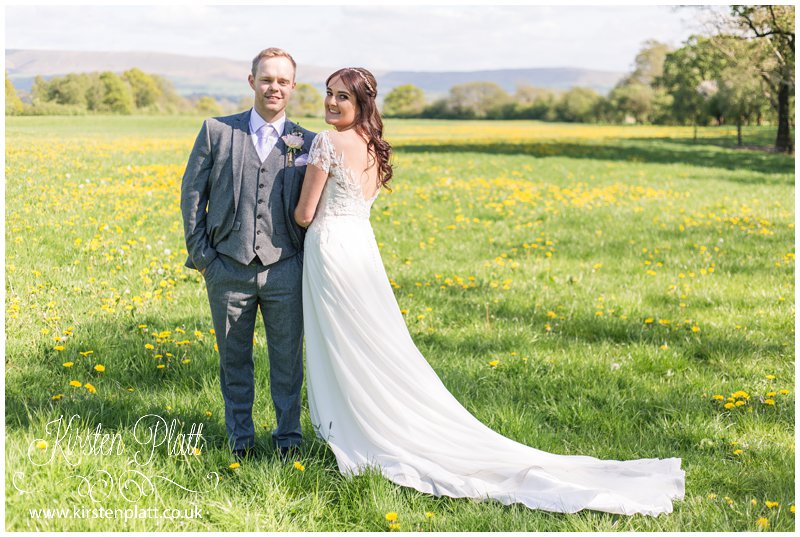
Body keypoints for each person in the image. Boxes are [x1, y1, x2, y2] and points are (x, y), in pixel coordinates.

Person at [294, 67, 685, 516]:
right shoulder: (372, 147)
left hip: (331, 247)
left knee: (346, 343)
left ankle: (361, 427)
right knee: (374, 342)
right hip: (362, 247)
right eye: (327, 94)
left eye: (341, 97)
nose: (330, 103)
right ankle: (376, 417)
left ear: (362, 103)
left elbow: (306, 214)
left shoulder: (327, 143)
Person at [181, 48, 315, 461]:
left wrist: (305, 262)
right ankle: (241, 441)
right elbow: (191, 194)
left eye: (282, 81)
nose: (274, 87)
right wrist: (204, 257)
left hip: (286, 269)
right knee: (234, 361)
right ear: (252, 80)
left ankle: (288, 441)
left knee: (287, 364)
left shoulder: (307, 142)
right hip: (227, 267)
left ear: (292, 87)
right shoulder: (216, 131)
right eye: (266, 78)